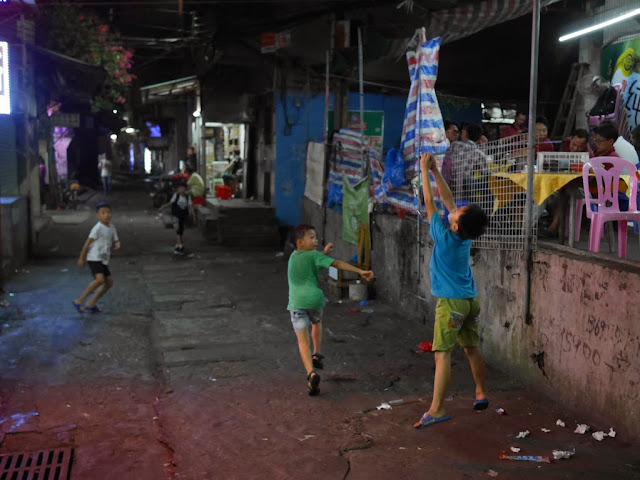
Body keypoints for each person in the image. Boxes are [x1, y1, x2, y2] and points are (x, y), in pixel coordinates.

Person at [414, 152, 489, 429]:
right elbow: (448, 201)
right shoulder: (464, 236)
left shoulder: (443, 236)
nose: (454, 208)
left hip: (452, 305)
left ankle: (437, 408)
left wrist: (424, 170)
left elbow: (431, 202)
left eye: (457, 212)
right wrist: (436, 171)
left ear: (455, 224)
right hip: (471, 301)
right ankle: (481, 392)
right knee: (471, 347)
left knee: (441, 353)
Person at [288, 225, 374, 396]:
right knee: (317, 323)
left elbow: (313, 259)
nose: (316, 241)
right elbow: (336, 264)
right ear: (300, 242)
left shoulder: (293, 257)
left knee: (302, 341)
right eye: (311, 238)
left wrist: (323, 253)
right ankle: (317, 353)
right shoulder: (315, 256)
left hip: (297, 303)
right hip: (315, 300)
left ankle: (311, 373)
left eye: (315, 237)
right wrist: (360, 271)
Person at [73, 202, 120, 313]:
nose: (106, 215)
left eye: (108, 212)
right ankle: (79, 301)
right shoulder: (97, 228)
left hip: (103, 259)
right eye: (103, 213)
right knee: (99, 280)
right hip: (94, 258)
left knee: (109, 283)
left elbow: (115, 238)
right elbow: (87, 243)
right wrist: (81, 258)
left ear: (111, 214)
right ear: (97, 215)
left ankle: (91, 303)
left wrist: (117, 243)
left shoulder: (112, 227)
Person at [159, 182, 194, 255]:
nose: (181, 190)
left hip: (183, 216)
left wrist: (192, 214)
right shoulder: (176, 196)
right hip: (176, 216)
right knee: (178, 230)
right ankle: (180, 246)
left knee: (181, 231)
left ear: (186, 189)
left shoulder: (188, 197)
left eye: (183, 188)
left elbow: (190, 206)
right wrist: (162, 207)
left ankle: (178, 245)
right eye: (180, 188)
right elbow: (170, 204)